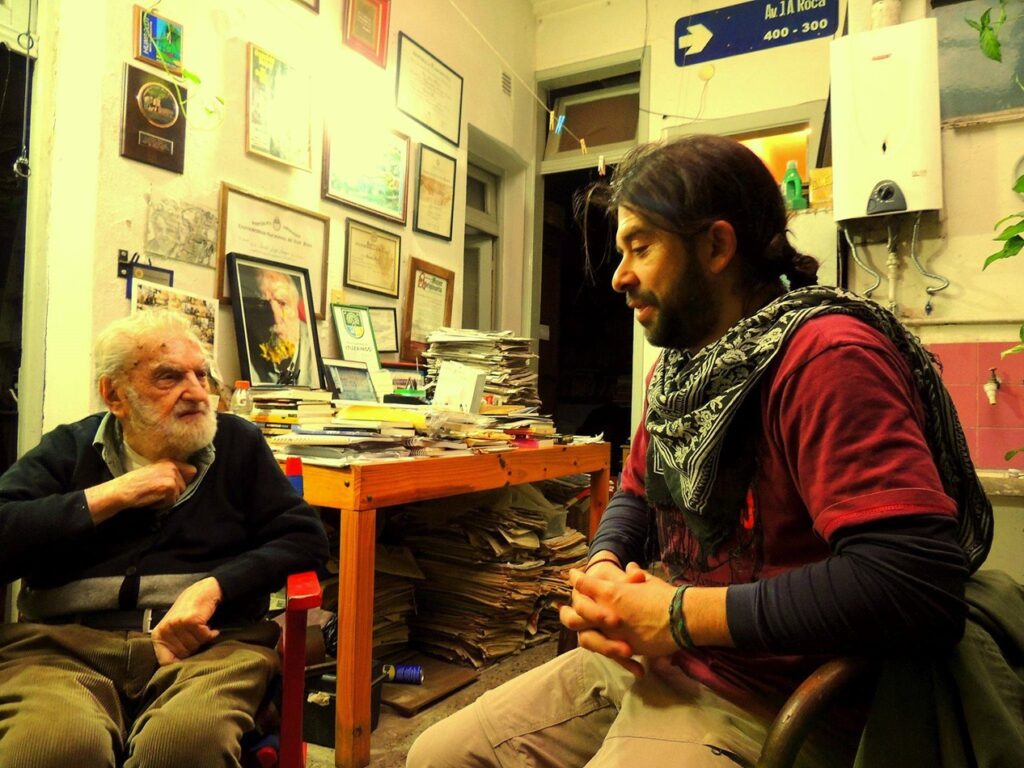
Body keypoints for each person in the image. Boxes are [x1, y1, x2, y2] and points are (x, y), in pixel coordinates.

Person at [407, 135, 993, 767]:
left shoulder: (825, 358)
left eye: (641, 247)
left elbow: (915, 583)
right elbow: (636, 494)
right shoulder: (684, 372)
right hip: (662, 659)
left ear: (716, 246)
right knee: (437, 754)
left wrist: (682, 615)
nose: (618, 276)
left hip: (772, 700)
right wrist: (606, 564)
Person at [0, 311, 329, 768]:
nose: (196, 392)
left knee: (183, 746)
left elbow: (305, 538)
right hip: (63, 650)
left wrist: (212, 588)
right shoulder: (67, 449)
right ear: (115, 394)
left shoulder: (239, 444)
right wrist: (111, 496)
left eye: (202, 375)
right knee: (54, 747)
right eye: (169, 377)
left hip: (212, 650)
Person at [247, 267, 319, 388]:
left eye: (282, 303)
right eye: (262, 304)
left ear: (296, 308)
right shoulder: (248, 345)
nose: (275, 317)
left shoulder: (314, 351)